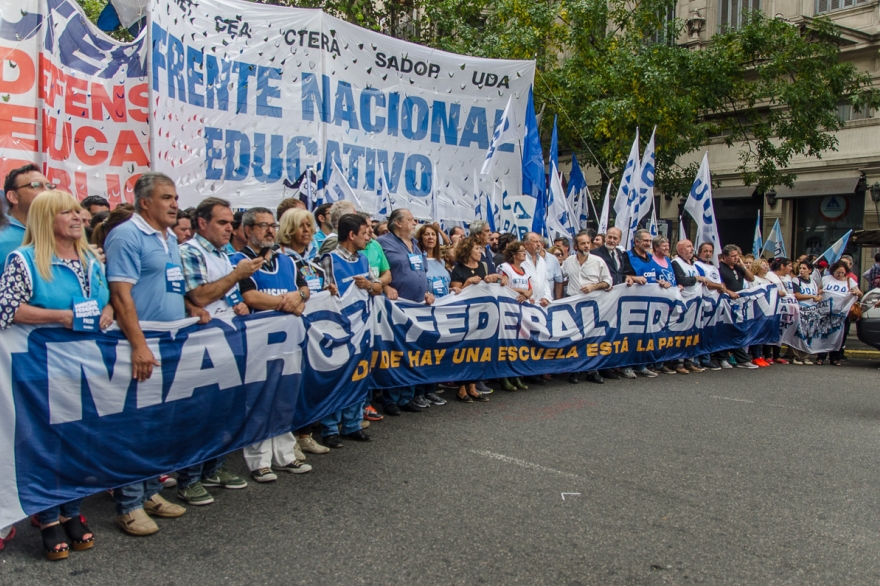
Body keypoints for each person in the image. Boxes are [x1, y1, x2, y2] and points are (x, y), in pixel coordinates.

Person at [0, 190, 112, 560]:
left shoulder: (90, 259)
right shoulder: (25, 259)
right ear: (48, 220)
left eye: (78, 211)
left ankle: (72, 510)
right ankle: (48, 519)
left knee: (79, 442)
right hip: (41, 369)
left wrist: (109, 309)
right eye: (68, 213)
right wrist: (62, 317)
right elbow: (8, 310)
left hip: (86, 366)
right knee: (46, 444)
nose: (78, 218)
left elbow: (106, 296)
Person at [104, 172, 187, 536]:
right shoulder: (126, 235)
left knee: (161, 426)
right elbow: (121, 296)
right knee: (136, 427)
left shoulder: (168, 239)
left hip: (169, 341)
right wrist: (138, 344)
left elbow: (169, 284)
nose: (174, 204)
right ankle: (129, 505)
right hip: (140, 344)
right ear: (145, 202)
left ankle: (151, 491)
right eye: (167, 198)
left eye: (175, 197)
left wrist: (191, 308)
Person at [174, 198, 263, 505]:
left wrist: (237, 302)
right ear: (202, 223)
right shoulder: (190, 252)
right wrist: (236, 277)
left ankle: (214, 468)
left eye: (230, 223)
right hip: (199, 345)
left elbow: (228, 295)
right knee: (200, 414)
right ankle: (188, 479)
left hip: (227, 339)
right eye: (222, 223)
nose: (230, 228)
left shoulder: (224, 254)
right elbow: (199, 295)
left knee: (225, 410)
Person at [230, 207, 313, 481]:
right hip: (256, 343)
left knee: (284, 397)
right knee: (260, 399)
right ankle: (259, 460)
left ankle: (285, 454)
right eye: (262, 225)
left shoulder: (287, 261)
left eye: (272, 225)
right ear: (247, 230)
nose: (269, 230)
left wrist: (299, 296)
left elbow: (305, 289)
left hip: (287, 342)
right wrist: (286, 303)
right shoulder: (238, 261)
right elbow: (250, 296)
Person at [318, 213, 384, 446]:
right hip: (339, 329)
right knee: (337, 377)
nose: (369, 237)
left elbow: (377, 288)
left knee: (358, 374)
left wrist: (370, 285)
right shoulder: (330, 260)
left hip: (361, 328)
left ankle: (352, 423)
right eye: (365, 233)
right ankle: (329, 427)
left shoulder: (364, 260)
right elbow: (323, 294)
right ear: (351, 234)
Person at [275, 207, 338, 452]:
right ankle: (288, 438)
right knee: (292, 385)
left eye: (308, 226)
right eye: (301, 226)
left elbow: (318, 287)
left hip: (314, 330)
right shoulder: (283, 259)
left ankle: (305, 433)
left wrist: (327, 291)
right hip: (291, 330)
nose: (307, 231)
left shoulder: (311, 260)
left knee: (310, 382)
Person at [377, 208, 435, 413]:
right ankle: (391, 397)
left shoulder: (417, 246)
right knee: (396, 352)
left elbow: (421, 272)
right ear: (397, 223)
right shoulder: (383, 243)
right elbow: (375, 269)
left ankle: (407, 396)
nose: (415, 222)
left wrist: (427, 291)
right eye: (410, 219)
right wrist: (384, 286)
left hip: (417, 306)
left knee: (413, 352)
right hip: (396, 307)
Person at [449, 236, 504, 401]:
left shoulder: (484, 266)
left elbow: (496, 283)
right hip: (465, 314)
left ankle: (473, 386)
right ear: (467, 251)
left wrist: (492, 279)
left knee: (478, 351)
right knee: (465, 351)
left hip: (481, 314)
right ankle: (461, 388)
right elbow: (455, 294)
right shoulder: (458, 269)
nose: (480, 252)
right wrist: (467, 282)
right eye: (477, 249)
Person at [562, 231, 612, 384]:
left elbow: (608, 282)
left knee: (592, 338)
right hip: (573, 304)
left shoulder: (598, 261)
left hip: (592, 304)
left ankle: (592, 370)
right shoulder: (569, 261)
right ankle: (575, 370)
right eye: (583, 243)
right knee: (575, 338)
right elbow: (561, 278)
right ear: (576, 246)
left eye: (588, 243)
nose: (586, 246)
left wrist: (594, 286)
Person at [416, 223, 454, 405]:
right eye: (427, 234)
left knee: (436, 354)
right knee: (422, 353)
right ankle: (418, 391)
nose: (431, 237)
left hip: (441, 311)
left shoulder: (440, 261)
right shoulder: (418, 258)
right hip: (424, 310)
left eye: (433, 234)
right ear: (420, 238)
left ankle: (431, 389)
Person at [670, 239, 710, 373]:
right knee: (682, 332)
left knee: (693, 332)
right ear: (680, 250)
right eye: (688, 247)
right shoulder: (676, 263)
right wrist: (697, 279)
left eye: (692, 246)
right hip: (685, 302)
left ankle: (690, 360)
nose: (692, 249)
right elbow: (681, 279)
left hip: (695, 304)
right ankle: (679, 362)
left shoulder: (692, 264)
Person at [1, 164, 56, 262]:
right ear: (13, 196)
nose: (47, 191)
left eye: (49, 186)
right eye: (36, 185)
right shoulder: (2, 234)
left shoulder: (61, 233)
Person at [717, 244, 759, 369]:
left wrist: (742, 265)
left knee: (737, 331)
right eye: (733, 256)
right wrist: (729, 292)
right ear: (725, 257)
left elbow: (751, 278)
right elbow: (719, 284)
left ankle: (741, 358)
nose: (736, 258)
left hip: (739, 304)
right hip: (726, 302)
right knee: (725, 331)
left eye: (737, 256)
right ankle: (723, 357)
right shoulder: (720, 268)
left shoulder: (738, 267)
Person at [816, 261, 862, 366]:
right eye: (838, 273)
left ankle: (835, 357)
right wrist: (820, 292)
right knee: (824, 334)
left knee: (840, 335)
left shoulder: (849, 281)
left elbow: (859, 293)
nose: (840, 275)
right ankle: (821, 357)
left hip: (842, 313)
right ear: (833, 271)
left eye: (842, 273)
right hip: (826, 313)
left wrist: (856, 293)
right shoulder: (826, 279)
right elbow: (818, 290)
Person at [767, 257, 793, 364]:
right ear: (782, 266)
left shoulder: (787, 278)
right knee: (770, 330)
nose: (791, 268)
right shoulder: (770, 276)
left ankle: (776, 355)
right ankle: (767, 354)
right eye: (789, 266)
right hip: (772, 308)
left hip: (783, 308)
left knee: (780, 330)